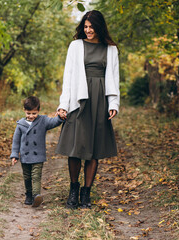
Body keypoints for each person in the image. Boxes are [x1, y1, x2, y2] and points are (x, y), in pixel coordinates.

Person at [56, 10, 119, 209]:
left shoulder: (110, 49)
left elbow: (114, 77)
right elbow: (68, 77)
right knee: (75, 147)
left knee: (94, 149)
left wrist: (113, 103)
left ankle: (86, 193)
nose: (88, 30)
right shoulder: (75, 46)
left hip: (100, 98)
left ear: (99, 27)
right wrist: (63, 104)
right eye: (85, 27)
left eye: (91, 27)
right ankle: (73, 190)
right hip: (78, 98)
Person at [10, 96, 64, 207]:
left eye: (34, 113)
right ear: (24, 111)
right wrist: (14, 155)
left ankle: (36, 196)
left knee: (36, 176)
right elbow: (16, 141)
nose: (31, 116)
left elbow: (54, 122)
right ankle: (28, 195)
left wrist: (60, 118)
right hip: (25, 156)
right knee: (27, 176)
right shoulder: (20, 124)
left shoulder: (43, 121)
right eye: (28, 113)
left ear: (38, 111)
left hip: (38, 155)